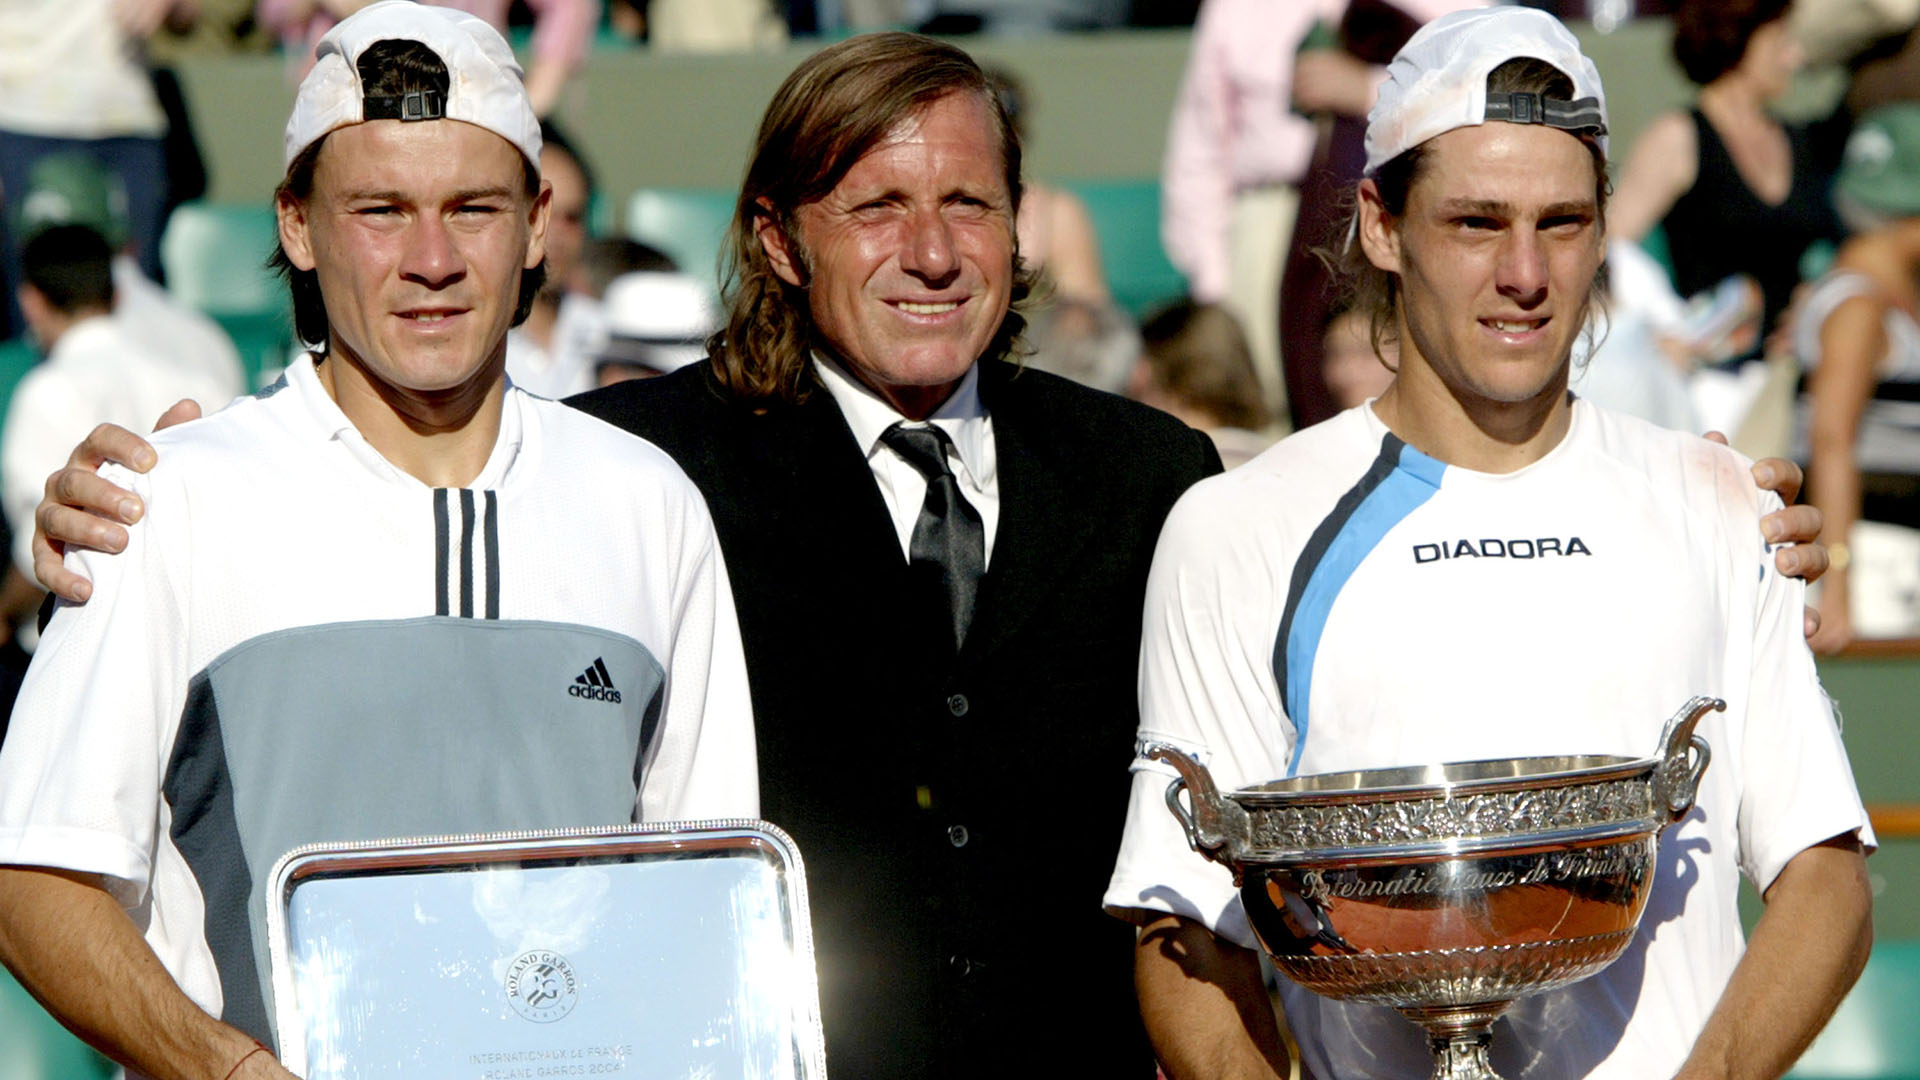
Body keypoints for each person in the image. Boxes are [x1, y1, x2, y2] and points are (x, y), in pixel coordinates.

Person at [27, 26, 1833, 1080]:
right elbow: (398, 482)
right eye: (875, 203)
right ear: (780, 239)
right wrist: (165, 480)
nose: (929, 246)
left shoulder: (1159, 477)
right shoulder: (646, 467)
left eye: (966, 198)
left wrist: (1714, 504)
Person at [1105, 9, 1872, 1080]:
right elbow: (1182, 929)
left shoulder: (1718, 500)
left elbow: (1824, 876)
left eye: (1562, 222)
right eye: (1476, 222)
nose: (1526, 273)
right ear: (1380, 223)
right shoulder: (1239, 526)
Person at [0, 7, 755, 1078]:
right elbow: (32, 879)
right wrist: (233, 1071)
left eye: (474, 208)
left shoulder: (651, 506)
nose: (433, 258)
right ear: (298, 226)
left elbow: (708, 909)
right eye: (381, 210)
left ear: (539, 223)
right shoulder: (171, 504)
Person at [1610, 0, 1841, 358]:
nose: (1794, 58)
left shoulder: (1801, 141)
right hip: (1711, 387)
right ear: (1735, 40)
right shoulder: (1679, 137)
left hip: (1788, 375)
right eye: (1780, 41)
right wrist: (1660, 339)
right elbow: (1609, 252)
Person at [3, 224, 235, 577]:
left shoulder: (44, 393)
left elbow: (40, 550)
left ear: (31, 303)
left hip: (78, 618)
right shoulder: (199, 383)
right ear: (118, 296)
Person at [1792, 101, 1920, 652]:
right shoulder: (1858, 308)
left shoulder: (1880, 300)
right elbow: (1832, 441)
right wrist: (1836, 586)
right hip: (1875, 565)